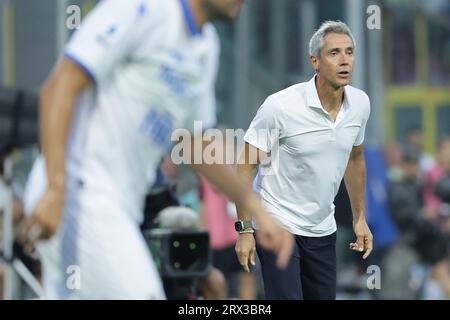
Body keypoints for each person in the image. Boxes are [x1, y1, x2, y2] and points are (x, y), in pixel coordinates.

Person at [19, 0, 293, 299]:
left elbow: (195, 145)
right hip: (80, 194)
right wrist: (56, 189)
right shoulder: (142, 9)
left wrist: (256, 211)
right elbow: (60, 85)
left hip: (120, 207)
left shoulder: (206, 47)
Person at [235, 20, 373, 300]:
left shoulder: (360, 104)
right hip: (276, 223)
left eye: (349, 52)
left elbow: (355, 159)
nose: (345, 60)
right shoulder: (280, 106)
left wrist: (360, 218)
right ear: (315, 61)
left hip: (323, 227)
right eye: (334, 53)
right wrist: (245, 230)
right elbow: (245, 166)